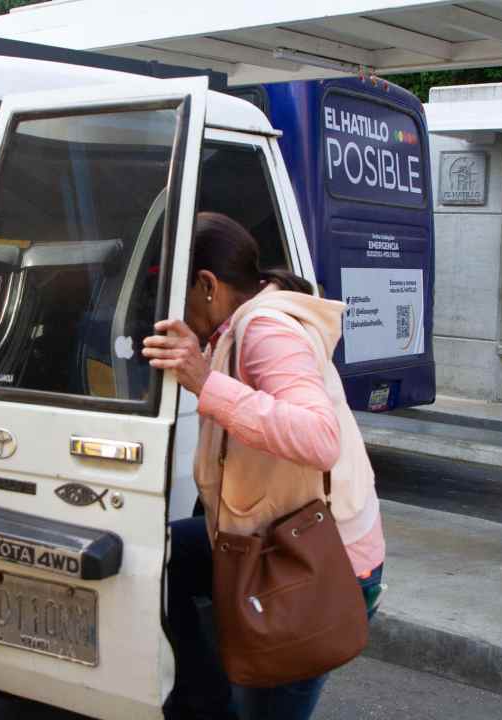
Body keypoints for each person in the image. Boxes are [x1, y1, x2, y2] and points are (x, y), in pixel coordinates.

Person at [144, 212, 384, 720]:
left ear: (207, 285)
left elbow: (320, 438)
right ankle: (205, 702)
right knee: (157, 557)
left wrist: (205, 383)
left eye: (178, 295)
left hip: (317, 562)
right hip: (266, 538)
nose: (176, 313)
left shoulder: (264, 328)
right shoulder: (239, 326)